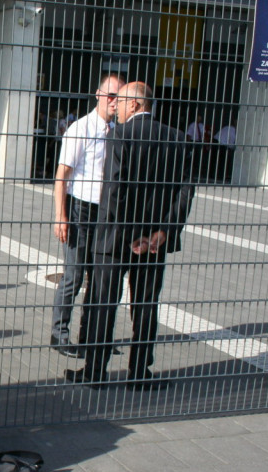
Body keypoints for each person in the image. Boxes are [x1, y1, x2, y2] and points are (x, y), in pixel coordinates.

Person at [68, 81, 193, 390]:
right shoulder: (178, 139)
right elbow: (184, 192)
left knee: (103, 302)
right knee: (147, 304)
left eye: (120, 102)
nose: (116, 108)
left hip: (116, 237)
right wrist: (162, 231)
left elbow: (115, 190)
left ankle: (95, 371)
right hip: (155, 243)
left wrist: (134, 234)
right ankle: (139, 372)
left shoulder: (121, 135)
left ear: (135, 105)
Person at [50, 74, 122, 358]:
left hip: (103, 212)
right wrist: (61, 215)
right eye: (111, 95)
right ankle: (60, 334)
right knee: (74, 275)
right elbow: (62, 175)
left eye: (120, 97)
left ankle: (91, 336)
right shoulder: (81, 129)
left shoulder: (115, 130)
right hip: (80, 208)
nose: (115, 102)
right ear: (98, 94)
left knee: (99, 276)